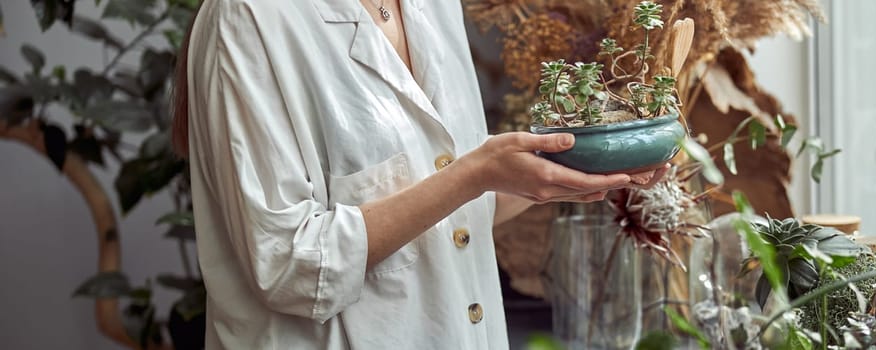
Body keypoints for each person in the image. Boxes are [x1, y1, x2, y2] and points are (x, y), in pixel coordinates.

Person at [169, 0, 668, 348]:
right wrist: (474, 174)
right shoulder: (249, 16)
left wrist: (584, 165)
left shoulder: (433, 5)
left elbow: (449, 214)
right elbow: (289, 267)